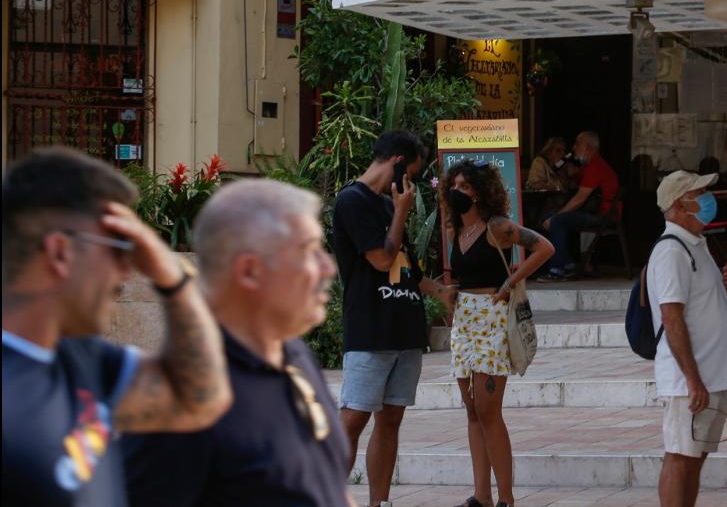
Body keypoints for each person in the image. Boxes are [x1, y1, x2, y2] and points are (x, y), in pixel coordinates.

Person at [2, 147, 231, 506]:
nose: (128, 270)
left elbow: (201, 401)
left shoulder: (83, 360)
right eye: (120, 247)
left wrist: (171, 279)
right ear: (60, 252)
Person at [125, 180, 355, 506]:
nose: (327, 267)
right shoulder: (182, 399)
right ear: (249, 271)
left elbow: (328, 487)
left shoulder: (292, 353)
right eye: (309, 250)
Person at [333, 132, 456, 507]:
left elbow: (407, 270)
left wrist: (443, 293)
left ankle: (379, 502)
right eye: (412, 172)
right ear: (397, 160)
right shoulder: (352, 201)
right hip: (370, 329)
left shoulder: (389, 206)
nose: (411, 183)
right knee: (353, 419)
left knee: (391, 420)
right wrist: (401, 211)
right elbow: (381, 259)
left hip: (404, 329)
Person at [440, 160, 555, 507]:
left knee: (489, 410)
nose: (458, 192)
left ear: (480, 192)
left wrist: (510, 281)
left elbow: (544, 248)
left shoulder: (497, 226)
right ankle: (481, 495)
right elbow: (457, 276)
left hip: (491, 317)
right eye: (455, 186)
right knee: (472, 410)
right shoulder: (454, 232)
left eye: (466, 186)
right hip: (464, 321)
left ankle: (506, 497)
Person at [646, 170, 727, 507]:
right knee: (681, 456)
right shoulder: (672, 251)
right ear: (678, 205)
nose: (708, 200)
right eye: (699, 194)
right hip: (692, 378)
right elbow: (671, 317)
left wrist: (723, 288)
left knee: (695, 457)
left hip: (709, 374)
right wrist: (692, 379)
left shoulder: (694, 245)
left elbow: (696, 307)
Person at [540, 131, 619, 280]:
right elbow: (572, 178)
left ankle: (557, 269)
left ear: (589, 148)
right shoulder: (588, 165)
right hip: (595, 212)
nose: (574, 148)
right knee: (546, 217)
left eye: (578, 145)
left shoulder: (596, 166)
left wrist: (557, 216)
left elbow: (580, 199)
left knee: (556, 220)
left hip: (603, 215)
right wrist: (565, 166)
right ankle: (568, 263)